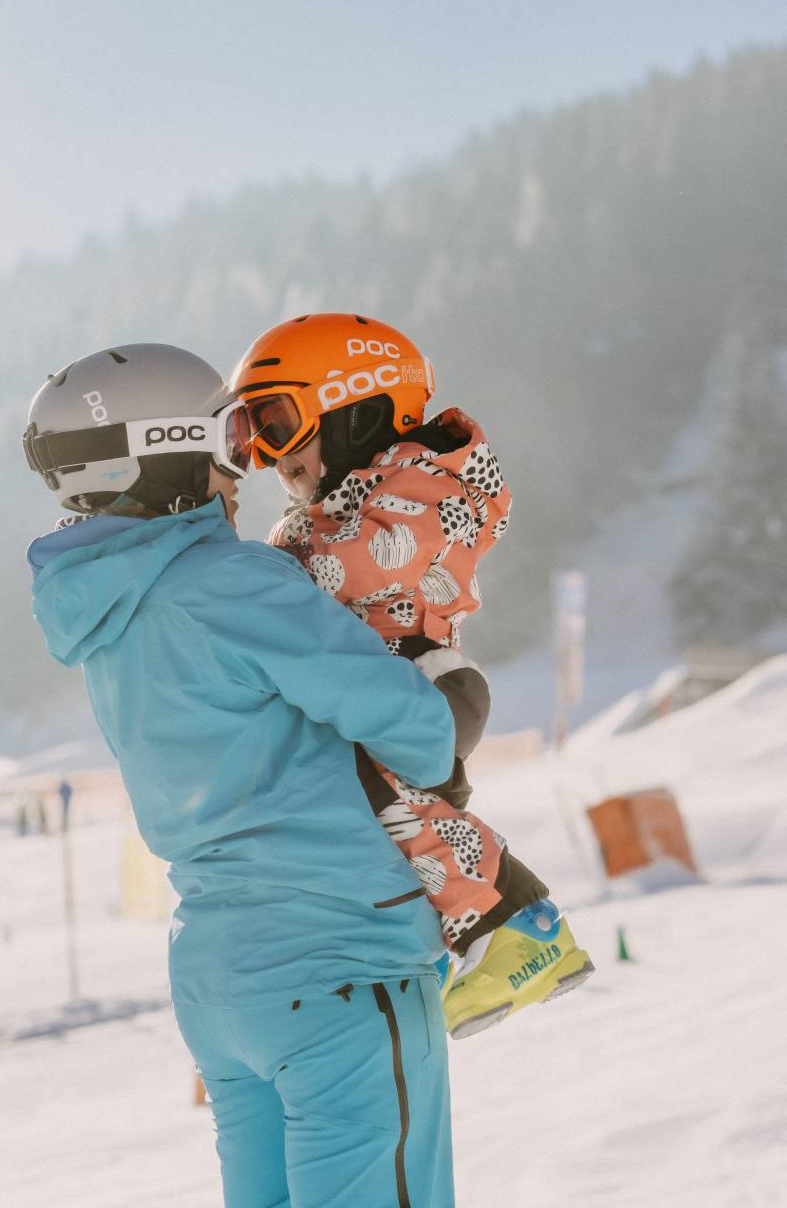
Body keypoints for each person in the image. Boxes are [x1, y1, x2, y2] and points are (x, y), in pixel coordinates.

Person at [25, 343, 458, 1207]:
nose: (246, 467)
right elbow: (413, 729)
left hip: (218, 978)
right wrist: (454, 705)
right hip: (336, 961)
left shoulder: (107, 614)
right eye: (230, 437)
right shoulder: (231, 580)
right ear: (172, 453)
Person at [223, 313, 592, 1039]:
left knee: (383, 797)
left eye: (276, 420)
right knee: (398, 816)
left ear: (356, 399)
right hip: (382, 681)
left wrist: (247, 577)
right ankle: (510, 927)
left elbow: (355, 567)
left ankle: (513, 929)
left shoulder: (425, 487)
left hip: (422, 679)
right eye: (247, 435)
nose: (269, 455)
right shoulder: (338, 508)